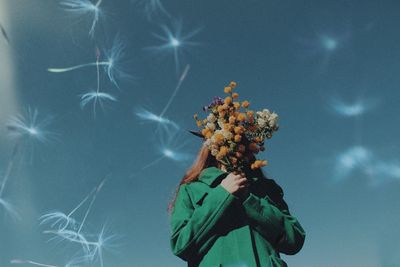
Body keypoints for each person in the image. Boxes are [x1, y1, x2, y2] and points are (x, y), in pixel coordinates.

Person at [167, 143, 306, 267]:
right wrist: (223, 194)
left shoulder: (266, 187)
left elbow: (295, 240)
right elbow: (181, 245)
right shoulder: (191, 189)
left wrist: (249, 199)